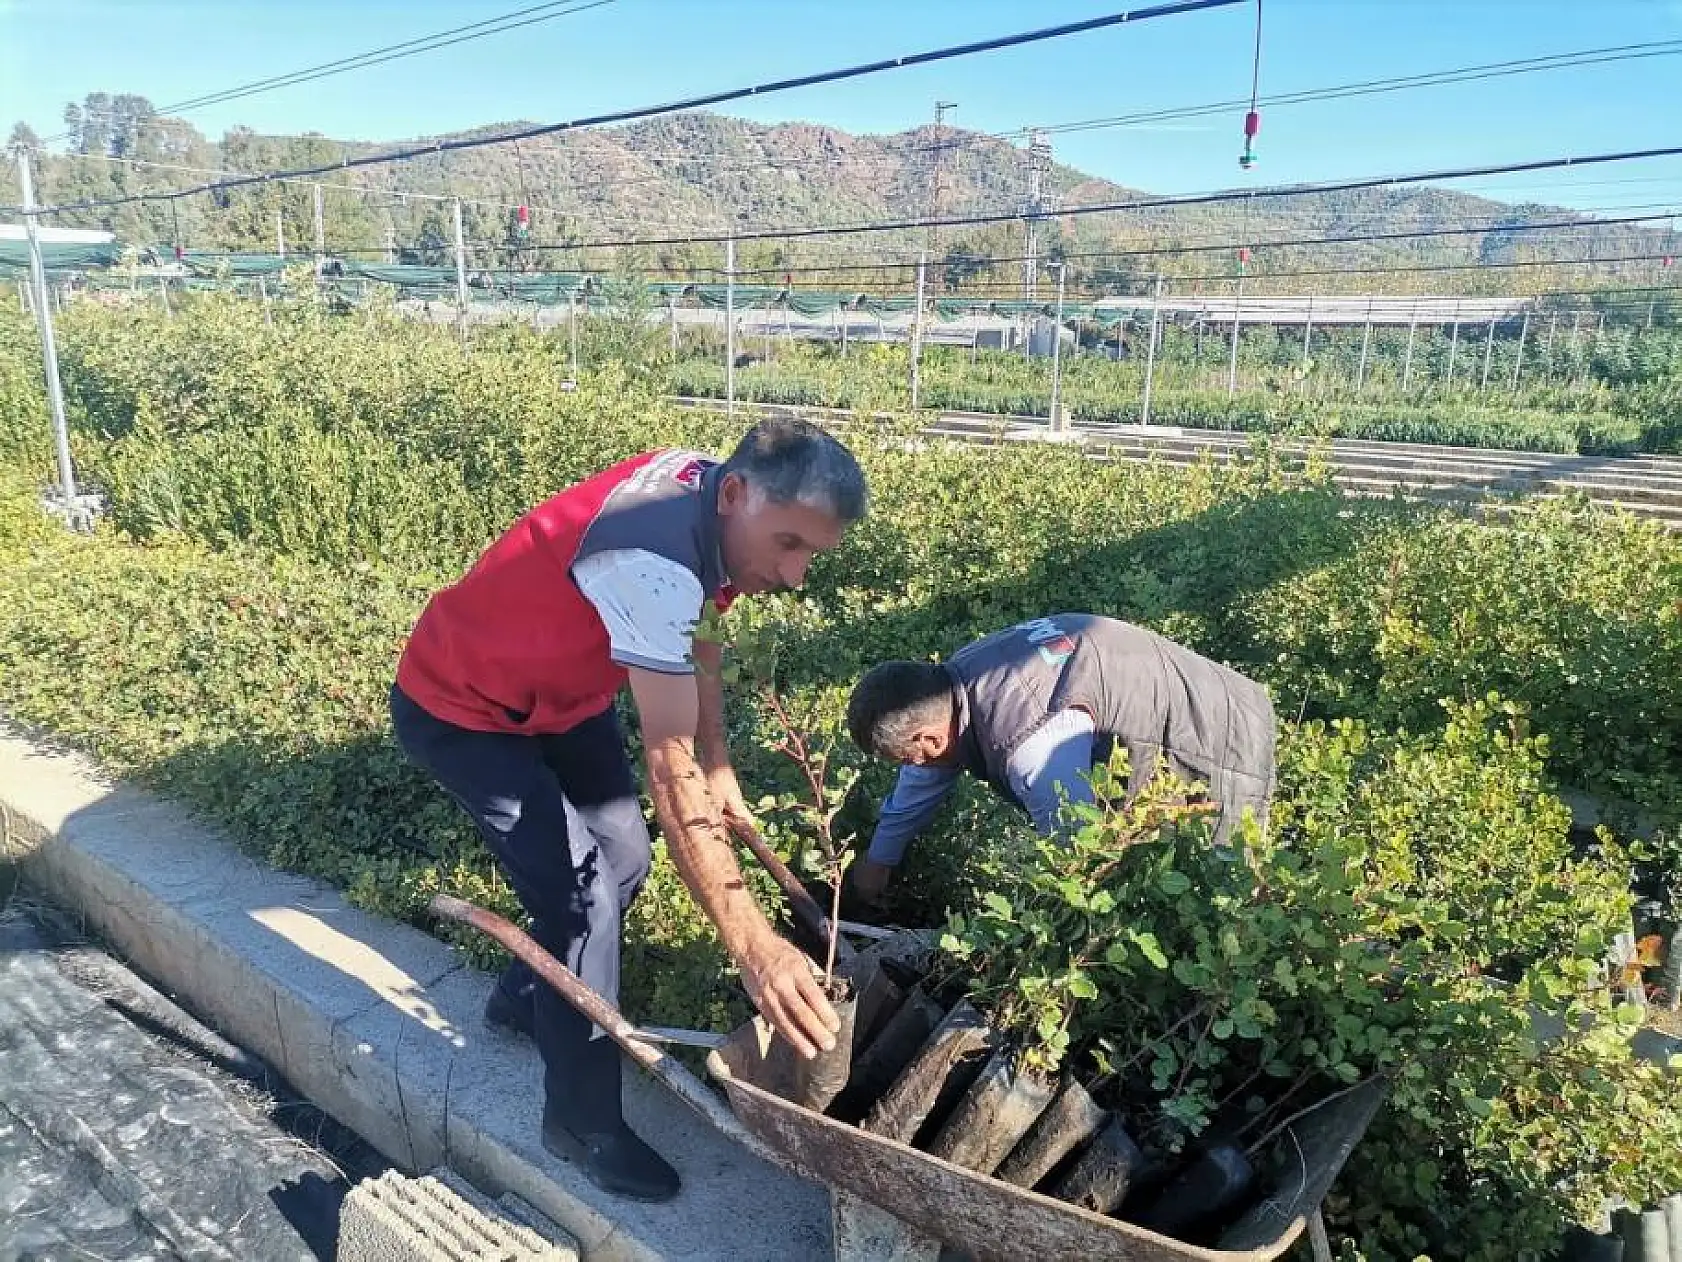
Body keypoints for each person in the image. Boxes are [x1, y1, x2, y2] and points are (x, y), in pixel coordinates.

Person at [389, 418, 867, 1203]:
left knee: (627, 861)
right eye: (789, 545)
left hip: (562, 697)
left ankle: (529, 996)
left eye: (812, 553)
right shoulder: (649, 560)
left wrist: (719, 761)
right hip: (463, 706)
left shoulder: (718, 499)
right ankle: (580, 1124)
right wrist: (755, 946)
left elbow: (702, 630)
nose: (797, 575)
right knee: (583, 899)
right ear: (739, 494)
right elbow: (666, 770)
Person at [844, 612, 1276, 903]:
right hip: (1183, 691)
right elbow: (922, 781)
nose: (911, 768)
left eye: (908, 757)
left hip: (1220, 731)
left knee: (1227, 887)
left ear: (930, 740)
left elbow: (1079, 858)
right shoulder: (955, 683)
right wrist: (878, 862)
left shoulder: (1031, 748)